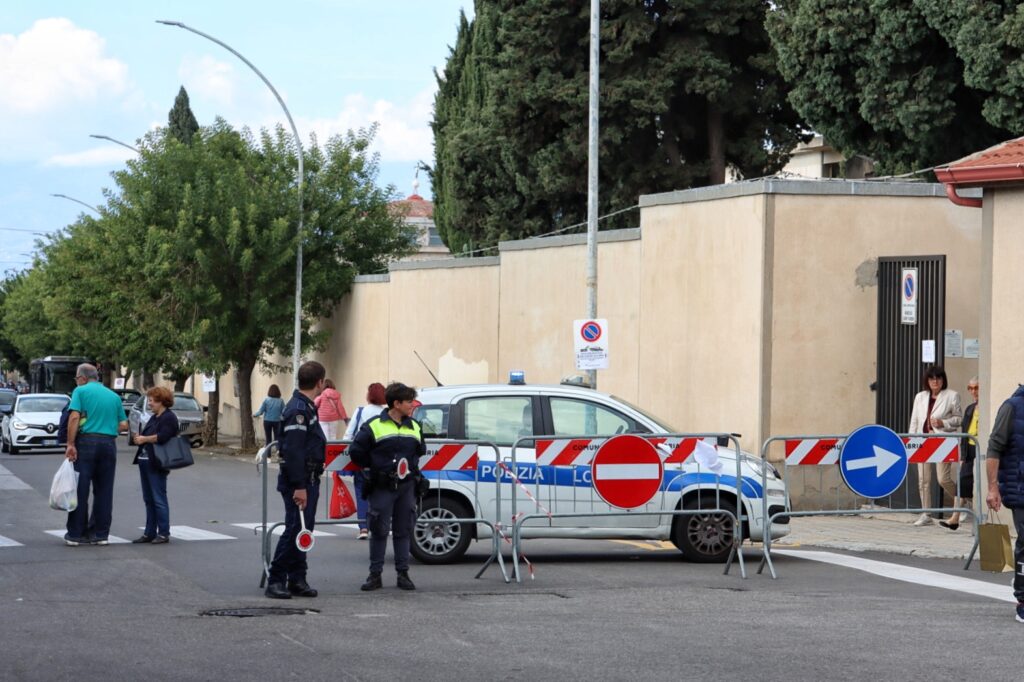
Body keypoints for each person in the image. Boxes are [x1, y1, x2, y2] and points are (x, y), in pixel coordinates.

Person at [348, 382, 425, 591]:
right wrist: (374, 469)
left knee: (403, 530)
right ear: (396, 403)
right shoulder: (373, 425)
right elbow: (356, 451)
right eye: (409, 401)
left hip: (406, 486)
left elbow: (420, 451)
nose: (413, 405)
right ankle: (375, 575)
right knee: (379, 530)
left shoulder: (415, 426)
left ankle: (403, 574)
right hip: (382, 486)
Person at [265, 361, 327, 600]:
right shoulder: (298, 410)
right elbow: (293, 451)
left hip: (308, 478)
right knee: (294, 529)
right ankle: (276, 580)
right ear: (320, 382)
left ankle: (297, 579)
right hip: (299, 481)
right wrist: (300, 486)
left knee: (303, 529)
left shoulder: (305, 406)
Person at [63, 363, 128, 546]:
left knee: (80, 489)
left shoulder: (80, 392)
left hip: (86, 443)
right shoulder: (113, 396)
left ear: (83, 378)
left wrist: (70, 444)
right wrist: (107, 429)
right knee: (104, 491)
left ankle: (76, 534)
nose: (76, 382)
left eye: (76, 379)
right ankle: (100, 534)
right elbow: (124, 425)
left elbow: (74, 417)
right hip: (108, 444)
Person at [984, 384, 1024, 623]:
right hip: (1019, 487)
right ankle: (1022, 599)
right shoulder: (1011, 407)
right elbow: (994, 448)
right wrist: (992, 487)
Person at [908, 365, 962, 526]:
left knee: (943, 479)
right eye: (932, 378)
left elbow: (959, 419)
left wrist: (942, 422)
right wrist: (912, 440)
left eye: (938, 378)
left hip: (941, 442)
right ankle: (926, 514)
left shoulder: (952, 395)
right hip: (923, 441)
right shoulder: (920, 397)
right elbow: (915, 421)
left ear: (943, 380)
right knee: (923, 479)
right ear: (927, 380)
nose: (935, 381)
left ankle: (961, 500)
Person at [130, 387, 180, 544]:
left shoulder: (169, 417)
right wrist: (140, 438)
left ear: (161, 401)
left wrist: (144, 439)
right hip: (145, 461)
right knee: (148, 499)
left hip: (157, 463)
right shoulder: (155, 417)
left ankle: (163, 532)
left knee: (158, 498)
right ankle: (149, 532)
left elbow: (164, 436)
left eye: (151, 400)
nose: (149, 403)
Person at [342, 382, 388, 540]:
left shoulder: (361, 411)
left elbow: (349, 433)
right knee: (380, 492)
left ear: (369, 395)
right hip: (381, 459)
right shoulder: (386, 413)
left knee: (361, 491)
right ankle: (379, 525)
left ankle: (363, 528)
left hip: (363, 458)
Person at [942, 378, 979, 530]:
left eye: (976, 387)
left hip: (981, 449)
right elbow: (964, 433)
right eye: (970, 388)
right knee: (962, 481)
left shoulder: (988, 406)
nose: (973, 391)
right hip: (970, 449)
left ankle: (958, 518)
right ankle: (955, 518)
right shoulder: (970, 408)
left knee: (972, 483)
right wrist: (963, 456)